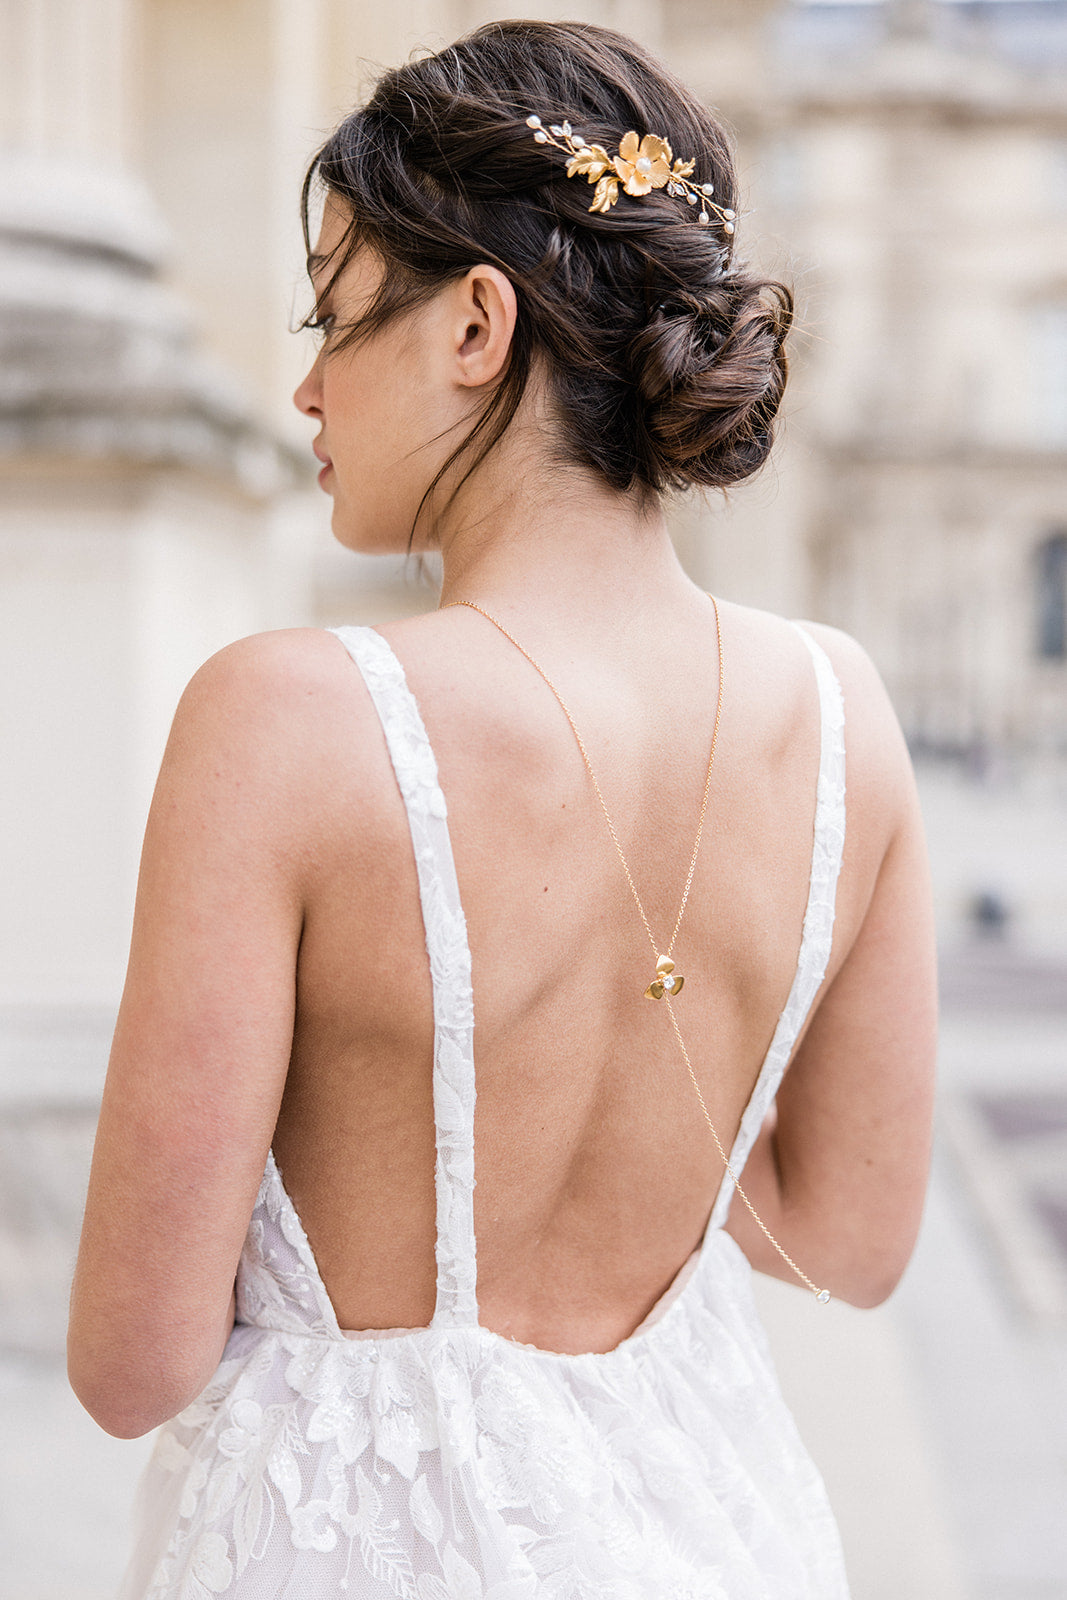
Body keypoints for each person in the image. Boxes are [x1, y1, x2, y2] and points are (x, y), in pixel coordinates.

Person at [68, 18, 937, 1598]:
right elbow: (856, 1243)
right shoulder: (844, 717)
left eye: (334, 317)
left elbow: (133, 1358)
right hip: (717, 1529)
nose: (306, 384)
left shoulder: (287, 720)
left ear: (478, 324)